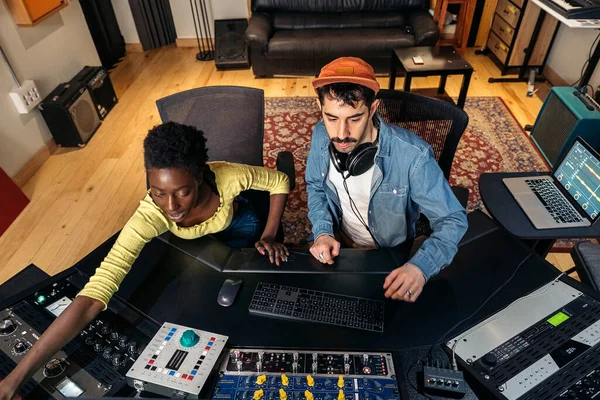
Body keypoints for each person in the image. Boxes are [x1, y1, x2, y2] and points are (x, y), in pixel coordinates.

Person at [0, 121, 290, 399]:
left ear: (200, 176)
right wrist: (14, 379)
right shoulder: (151, 215)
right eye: (159, 192)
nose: (171, 206)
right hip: (199, 247)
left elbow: (279, 180)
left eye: (182, 192)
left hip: (240, 227)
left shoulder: (229, 176)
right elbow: (92, 297)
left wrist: (270, 234)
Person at [306, 57, 468, 303]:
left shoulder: (414, 156)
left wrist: (421, 267)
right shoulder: (320, 134)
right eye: (332, 118)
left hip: (388, 253)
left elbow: (453, 219)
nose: (340, 134)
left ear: (373, 109)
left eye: (354, 118)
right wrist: (322, 232)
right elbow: (316, 187)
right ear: (321, 111)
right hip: (336, 241)